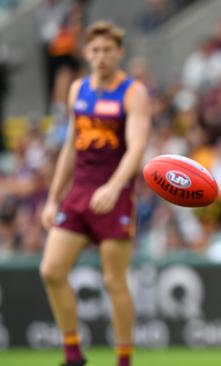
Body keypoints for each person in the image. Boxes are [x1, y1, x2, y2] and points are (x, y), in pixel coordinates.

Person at [39, 21, 151, 366]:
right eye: (96, 50)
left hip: (114, 193)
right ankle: (73, 353)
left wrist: (115, 186)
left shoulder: (133, 93)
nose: (101, 56)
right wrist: (53, 197)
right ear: (87, 54)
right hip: (79, 192)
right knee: (51, 271)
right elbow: (71, 147)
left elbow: (136, 149)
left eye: (108, 50)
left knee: (113, 281)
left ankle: (123, 359)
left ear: (119, 53)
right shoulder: (78, 90)